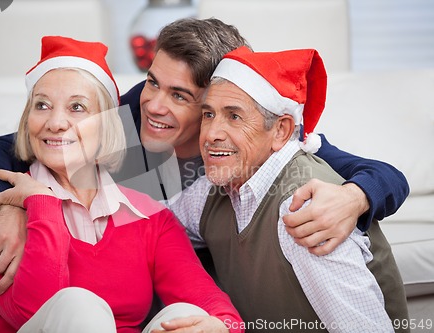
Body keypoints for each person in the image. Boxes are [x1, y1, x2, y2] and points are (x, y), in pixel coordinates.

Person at [0, 18, 409, 331]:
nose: (154, 104)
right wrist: (6, 210)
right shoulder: (128, 122)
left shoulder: (276, 153)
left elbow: (382, 173)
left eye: (180, 96)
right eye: (152, 81)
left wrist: (355, 197)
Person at [0, 35, 243, 333]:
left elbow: (211, 302)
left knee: (187, 314)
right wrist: (41, 204)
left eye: (77, 108)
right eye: (42, 105)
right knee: (77, 305)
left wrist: (223, 325)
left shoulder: (151, 217)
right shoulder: (1, 212)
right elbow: (31, 312)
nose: (56, 123)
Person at [169, 46, 409, 332]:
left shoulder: (306, 211)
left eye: (234, 116)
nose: (211, 134)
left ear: (281, 131)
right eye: (208, 115)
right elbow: (155, 227)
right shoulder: (216, 187)